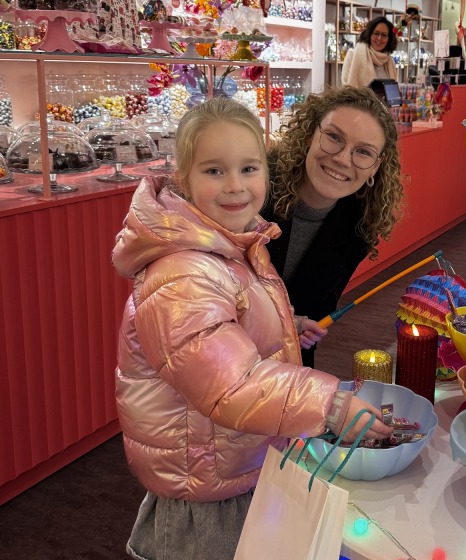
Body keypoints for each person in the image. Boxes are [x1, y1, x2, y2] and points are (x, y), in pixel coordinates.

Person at [112, 98, 393, 560]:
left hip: (234, 458)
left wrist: (285, 326)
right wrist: (332, 405)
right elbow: (230, 384)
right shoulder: (184, 272)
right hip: (204, 484)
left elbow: (230, 332)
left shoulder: (238, 242)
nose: (235, 186)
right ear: (183, 176)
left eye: (247, 169)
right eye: (214, 170)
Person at [262, 86, 404, 368]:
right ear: (309, 135)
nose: (342, 158)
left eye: (363, 152)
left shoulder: (358, 228)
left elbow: (315, 314)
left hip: (286, 369)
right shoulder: (253, 188)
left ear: (376, 167)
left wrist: (305, 329)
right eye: (334, 137)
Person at [342, 16, 398, 86]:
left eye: (384, 35)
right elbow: (346, 88)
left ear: (389, 39)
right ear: (369, 34)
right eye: (376, 33)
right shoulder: (352, 55)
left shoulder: (389, 61)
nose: (379, 38)